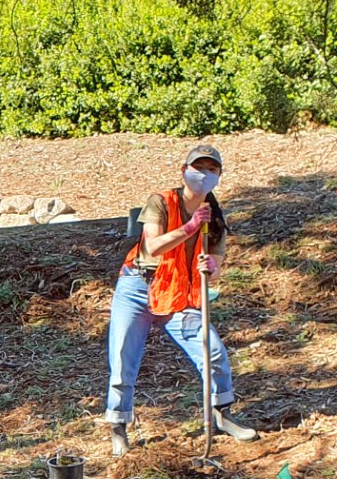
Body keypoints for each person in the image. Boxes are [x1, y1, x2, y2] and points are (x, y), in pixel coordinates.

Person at [104, 144, 259, 456]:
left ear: (219, 176)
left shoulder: (214, 218)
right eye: (198, 167)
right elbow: (152, 248)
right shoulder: (162, 201)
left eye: (211, 169)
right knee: (123, 356)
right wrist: (189, 227)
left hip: (178, 293)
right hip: (138, 285)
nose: (203, 174)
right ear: (184, 171)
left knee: (210, 348)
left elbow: (215, 265)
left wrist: (212, 267)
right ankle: (118, 426)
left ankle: (222, 414)